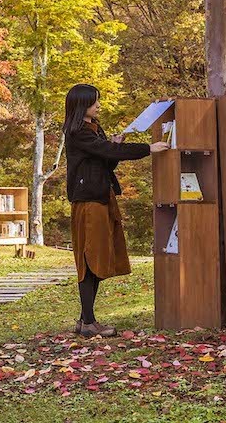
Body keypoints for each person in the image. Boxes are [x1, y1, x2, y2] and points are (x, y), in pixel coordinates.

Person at [64, 84, 168, 337]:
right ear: (82, 105)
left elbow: (107, 158)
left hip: (100, 197)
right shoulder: (78, 131)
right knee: (90, 260)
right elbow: (107, 152)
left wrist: (114, 145)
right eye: (94, 102)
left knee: (97, 258)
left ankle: (84, 320)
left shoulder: (93, 129)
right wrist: (147, 148)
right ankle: (88, 322)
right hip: (88, 202)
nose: (98, 105)